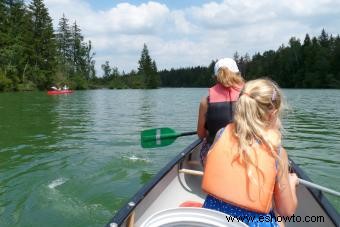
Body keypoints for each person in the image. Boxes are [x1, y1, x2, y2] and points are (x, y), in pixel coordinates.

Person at [202, 78, 299, 227]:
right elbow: (287, 211)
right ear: (273, 113)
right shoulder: (278, 152)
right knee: (280, 218)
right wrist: (291, 183)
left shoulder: (221, 134)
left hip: (212, 220)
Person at [197, 58, 244, 165]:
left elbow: (201, 134)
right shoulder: (250, 98)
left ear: (216, 77)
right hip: (243, 153)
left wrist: (211, 132)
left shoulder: (206, 101)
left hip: (215, 156)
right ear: (237, 74)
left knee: (206, 144)